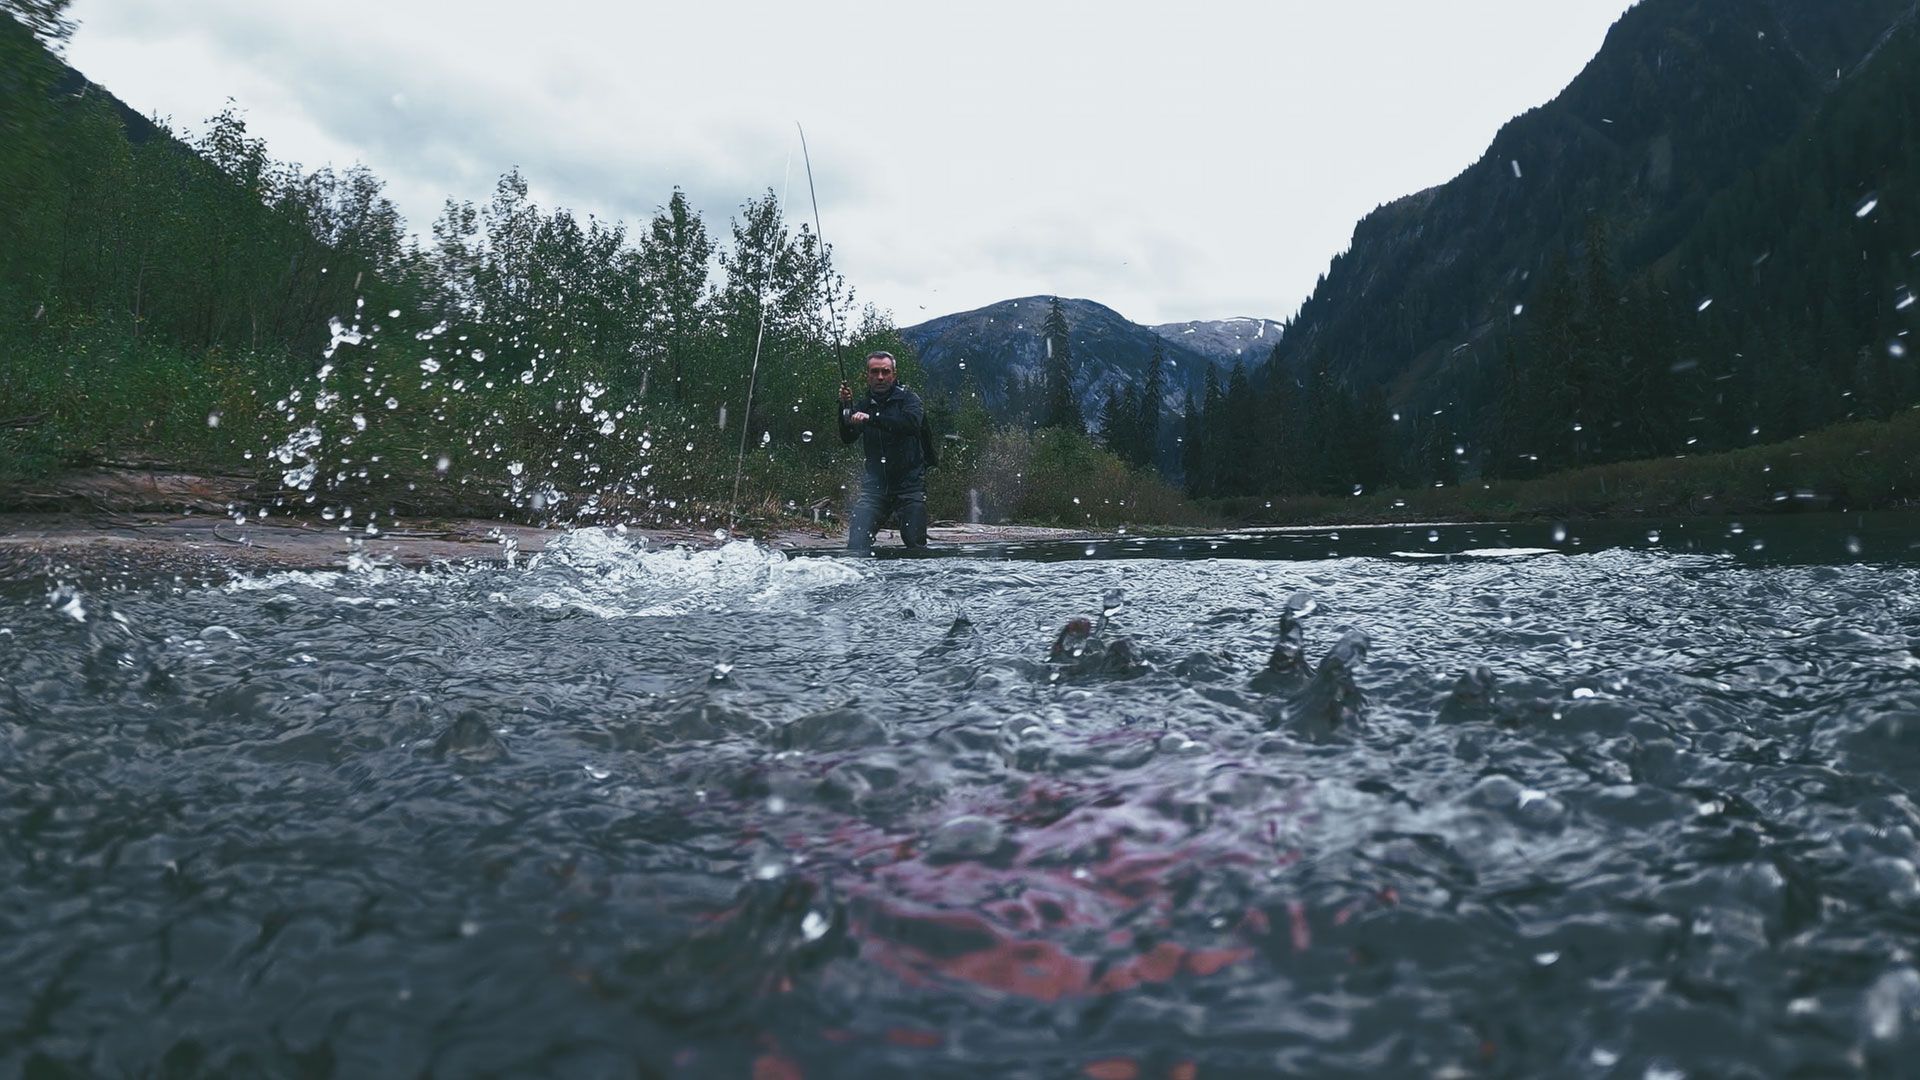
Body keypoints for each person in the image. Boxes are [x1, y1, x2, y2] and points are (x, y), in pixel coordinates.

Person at [838, 350, 929, 552]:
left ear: (893, 375)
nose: (880, 377)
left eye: (885, 372)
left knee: (916, 547)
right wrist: (844, 406)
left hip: (910, 486)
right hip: (874, 489)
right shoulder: (862, 405)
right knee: (856, 546)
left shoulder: (909, 400)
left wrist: (871, 419)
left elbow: (911, 425)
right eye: (875, 372)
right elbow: (848, 436)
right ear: (868, 376)